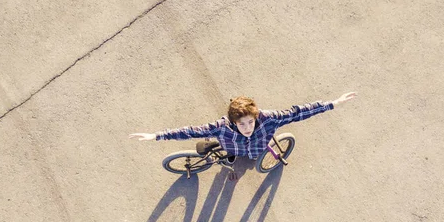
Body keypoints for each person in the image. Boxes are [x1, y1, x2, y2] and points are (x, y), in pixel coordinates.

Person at [129, 92, 357, 161]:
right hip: (233, 150)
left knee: (243, 155)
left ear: (256, 115)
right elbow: (188, 131)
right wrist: (156, 136)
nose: (247, 127)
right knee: (222, 153)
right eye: (242, 124)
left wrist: (332, 104)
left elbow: (299, 113)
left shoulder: (269, 119)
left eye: (250, 121)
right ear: (232, 122)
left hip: (255, 150)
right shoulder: (221, 128)